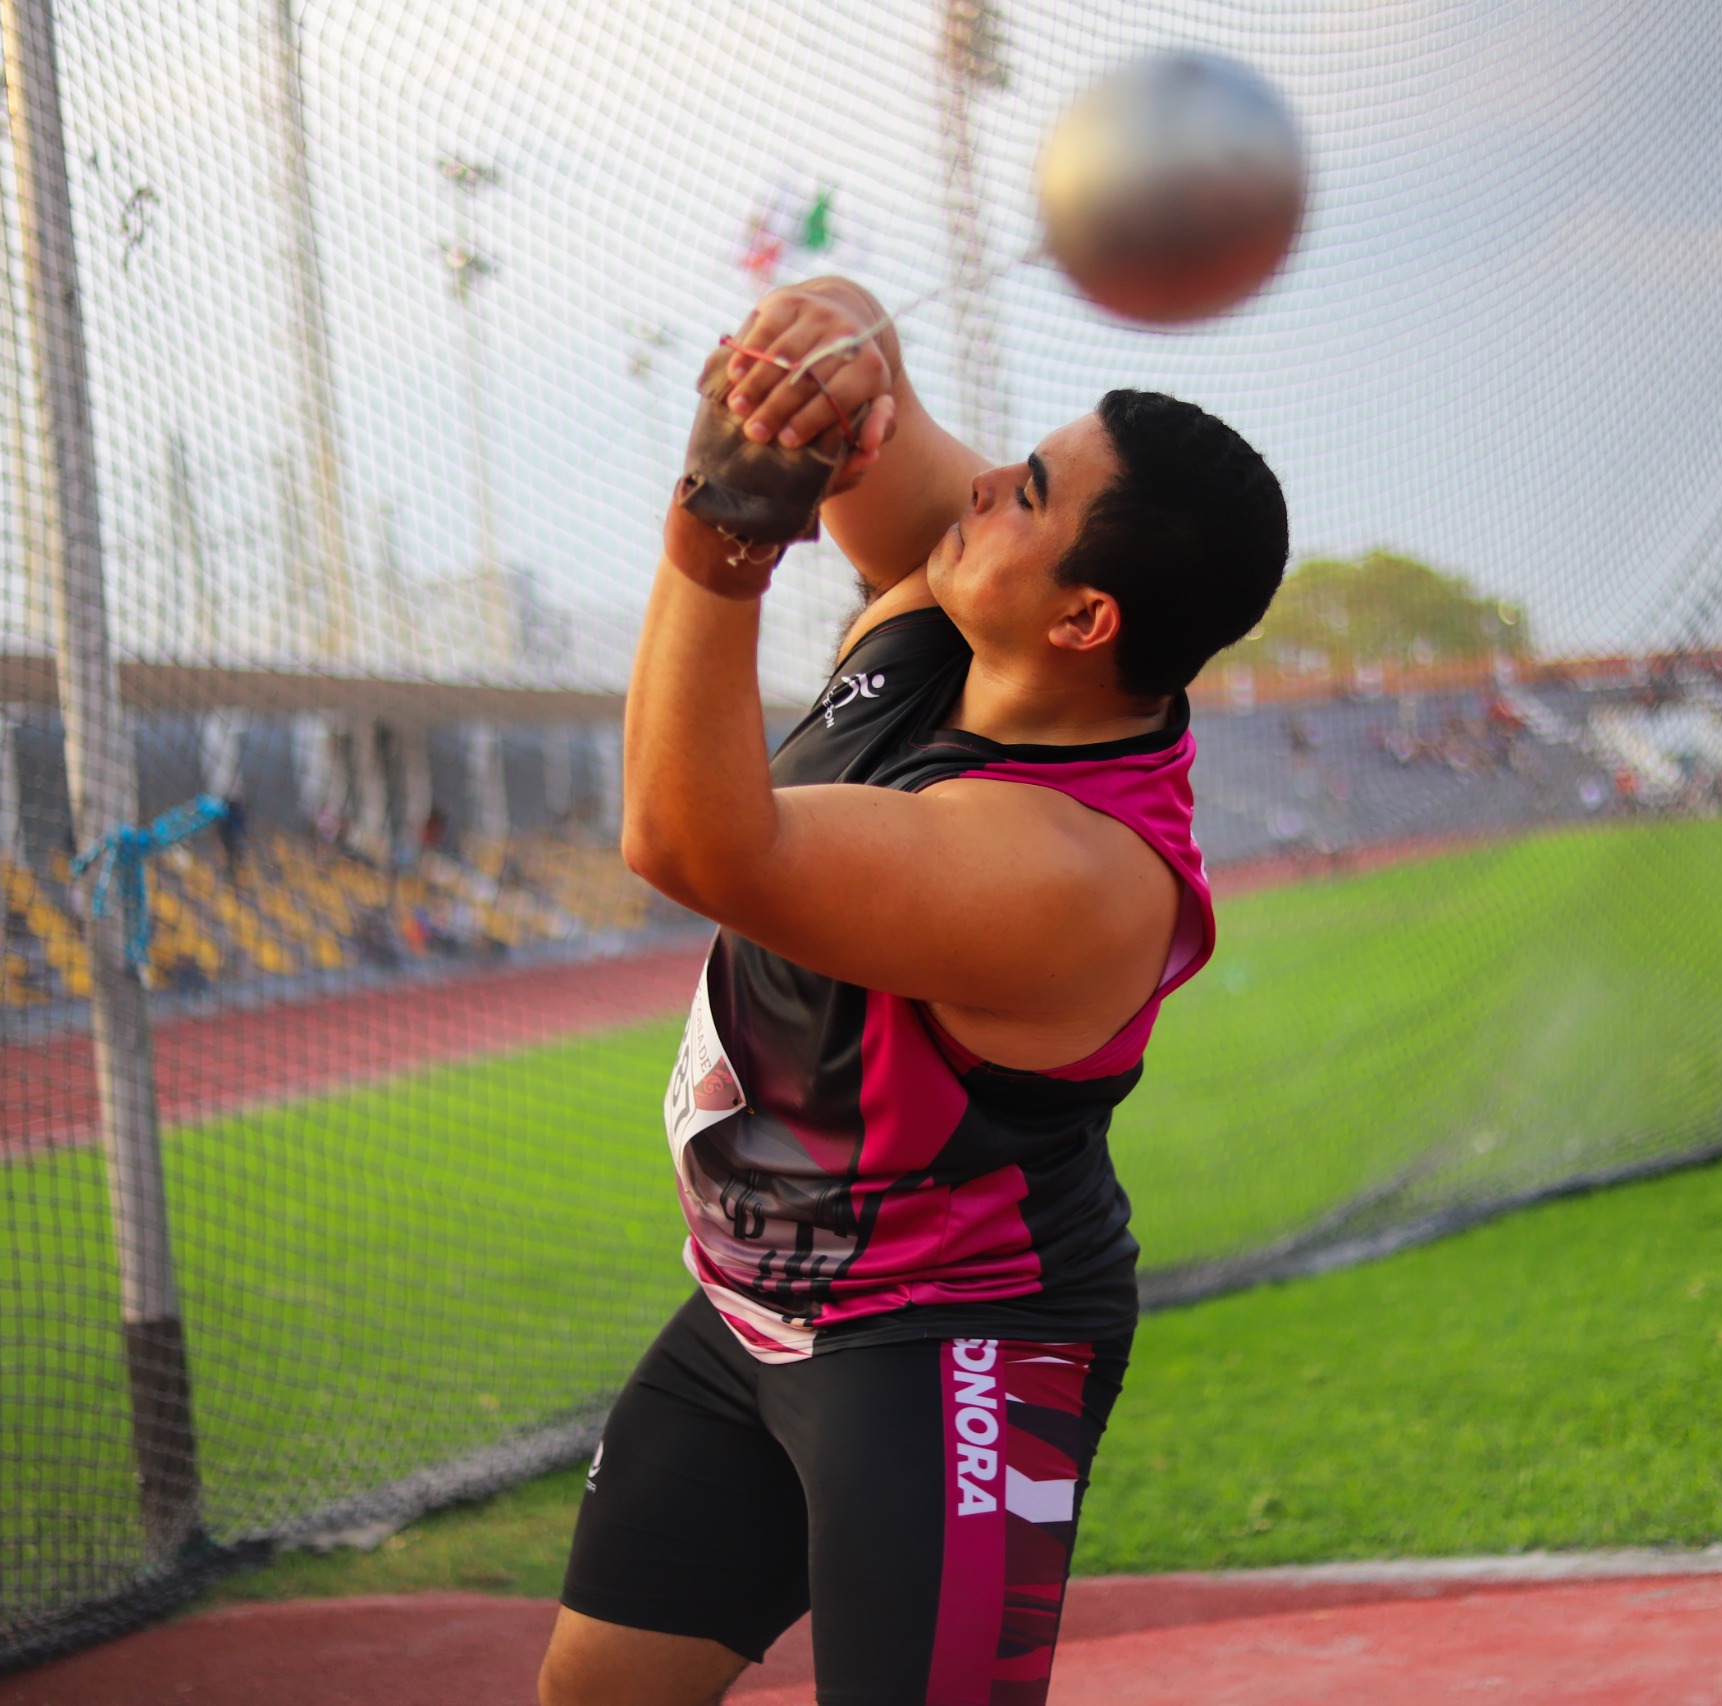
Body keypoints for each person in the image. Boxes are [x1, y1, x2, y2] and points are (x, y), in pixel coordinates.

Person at [541, 276, 1286, 1706]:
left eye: (1034, 490)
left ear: (1085, 619)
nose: (992, 481)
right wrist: (822, 348)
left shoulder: (1070, 869)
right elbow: (886, 428)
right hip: (754, 1303)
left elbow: (692, 838)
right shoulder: (968, 605)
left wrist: (719, 540)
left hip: (949, 1343)